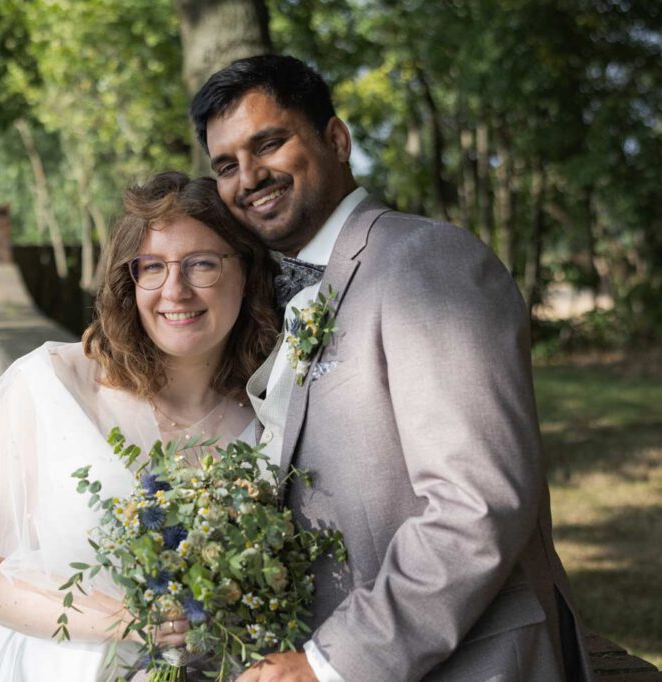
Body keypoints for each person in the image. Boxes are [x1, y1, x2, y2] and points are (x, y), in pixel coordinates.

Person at [189, 55, 593, 681]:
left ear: (336, 139)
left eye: (268, 144)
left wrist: (330, 664)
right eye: (225, 165)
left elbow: (476, 505)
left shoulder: (427, 261)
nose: (249, 177)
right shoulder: (272, 294)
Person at [0, 171, 279, 681]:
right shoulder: (51, 385)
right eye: (152, 267)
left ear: (246, 272)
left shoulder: (268, 421)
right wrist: (136, 623)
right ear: (129, 281)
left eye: (202, 264)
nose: (175, 290)